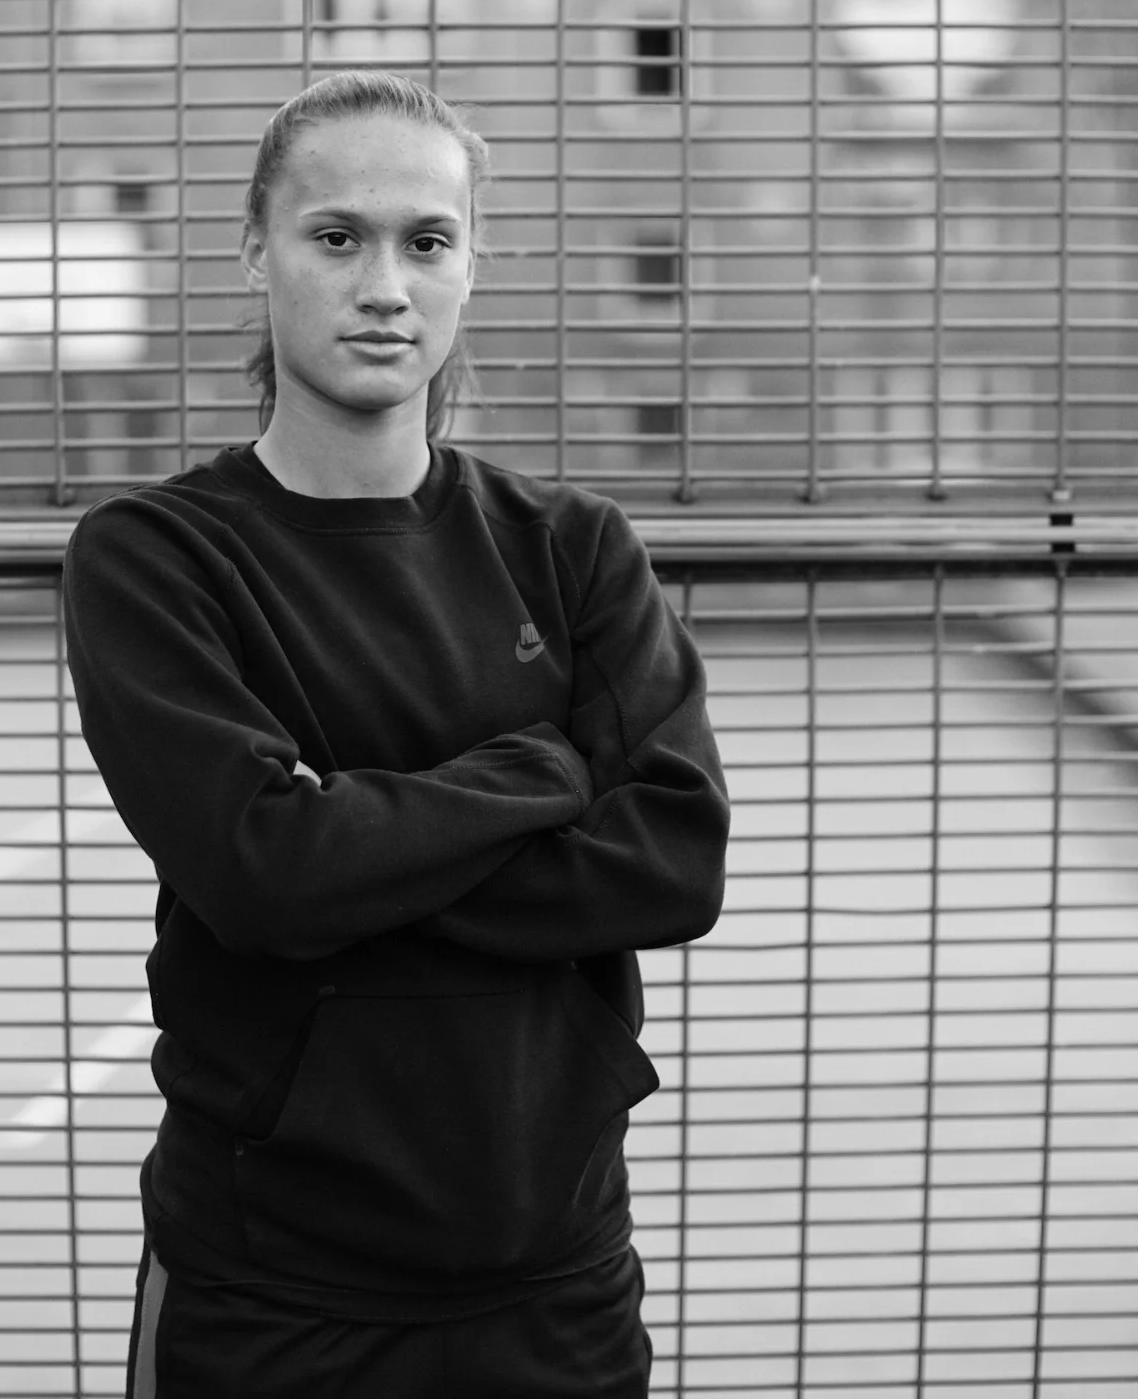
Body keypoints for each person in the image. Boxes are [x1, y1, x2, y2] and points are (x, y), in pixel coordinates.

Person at [62, 70, 729, 1399]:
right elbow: (262, 872)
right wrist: (536, 773)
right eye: (337, 236)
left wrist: (353, 839)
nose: (385, 285)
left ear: (470, 264)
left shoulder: (574, 548)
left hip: (554, 1273)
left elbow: (669, 861)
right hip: (274, 1285)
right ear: (257, 247)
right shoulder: (158, 557)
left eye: (427, 241)